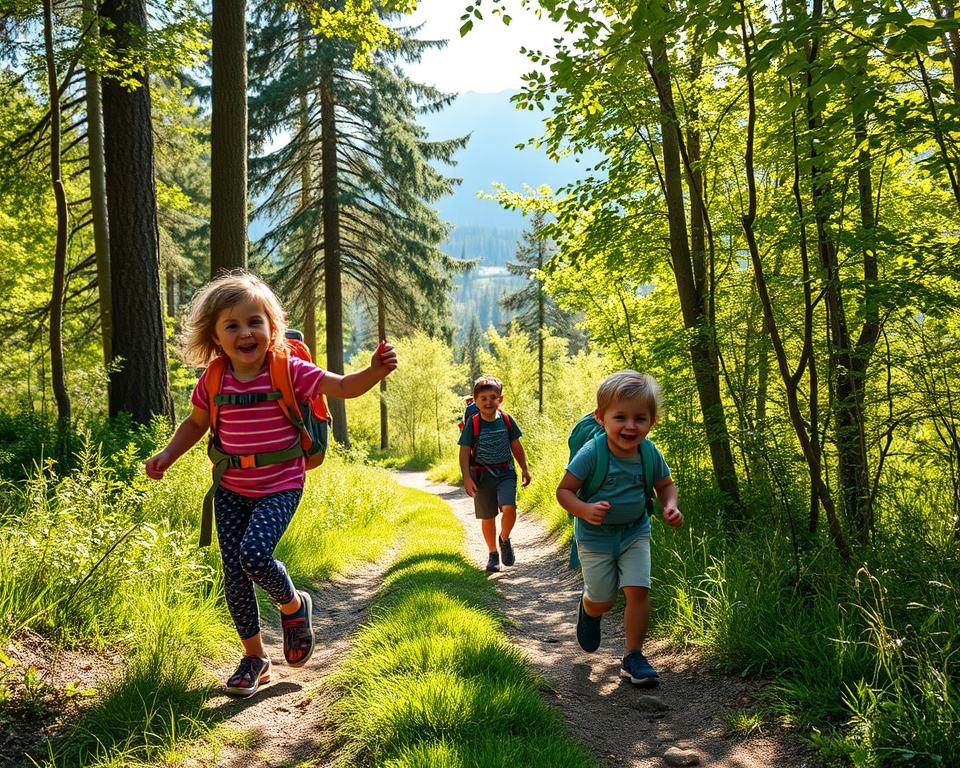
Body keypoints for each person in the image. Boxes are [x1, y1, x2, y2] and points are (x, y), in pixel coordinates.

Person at [144, 270, 397, 697]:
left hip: (281, 482)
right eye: (232, 325)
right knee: (234, 573)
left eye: (254, 322)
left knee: (254, 555)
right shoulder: (212, 379)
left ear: (271, 327)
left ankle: (293, 605)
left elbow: (342, 386)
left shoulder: (289, 369)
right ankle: (256, 658)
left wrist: (372, 371)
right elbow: (195, 423)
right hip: (229, 487)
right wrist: (167, 455)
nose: (245, 332)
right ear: (216, 337)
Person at [556, 370, 682, 687]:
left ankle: (633, 656)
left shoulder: (649, 453)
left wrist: (670, 505)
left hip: (635, 532)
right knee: (604, 600)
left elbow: (665, 485)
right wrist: (584, 510)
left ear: (652, 421)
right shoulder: (592, 453)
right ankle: (589, 608)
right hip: (595, 538)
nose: (630, 426)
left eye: (640, 418)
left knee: (638, 589)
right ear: (601, 418)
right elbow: (564, 491)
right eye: (620, 417)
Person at [458, 374, 531, 572]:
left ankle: (504, 538)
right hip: (482, 477)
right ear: (475, 401)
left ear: (501, 399)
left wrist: (524, 468)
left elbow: (516, 446)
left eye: (493, 397)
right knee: (488, 516)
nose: (488, 402)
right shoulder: (473, 424)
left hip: (506, 472)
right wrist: (466, 477)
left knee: (510, 507)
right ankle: (492, 553)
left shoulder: (507, 420)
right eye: (483, 398)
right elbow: (464, 451)